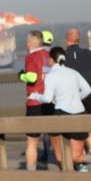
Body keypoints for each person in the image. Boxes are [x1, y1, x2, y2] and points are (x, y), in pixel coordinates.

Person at [28, 47, 91, 171]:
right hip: (79, 113)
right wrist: (75, 98)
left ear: (51, 59)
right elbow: (87, 90)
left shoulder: (51, 75)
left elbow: (47, 99)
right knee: (77, 156)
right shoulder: (73, 72)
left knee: (60, 157)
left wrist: (35, 95)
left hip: (61, 114)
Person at [63, 28, 91, 171]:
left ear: (66, 40)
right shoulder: (89, 54)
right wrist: (90, 76)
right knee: (85, 126)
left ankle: (85, 161)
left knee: (76, 129)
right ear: (79, 39)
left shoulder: (63, 57)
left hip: (72, 98)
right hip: (89, 96)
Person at [19, 30, 61, 170]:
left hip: (35, 102)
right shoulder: (49, 56)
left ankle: (31, 174)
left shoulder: (32, 57)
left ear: (30, 42)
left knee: (32, 141)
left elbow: (32, 78)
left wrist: (21, 76)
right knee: (55, 138)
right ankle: (64, 167)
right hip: (51, 101)